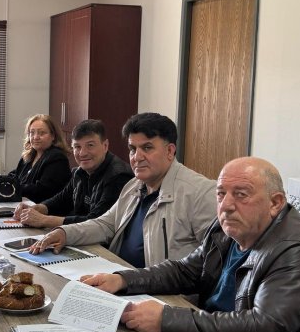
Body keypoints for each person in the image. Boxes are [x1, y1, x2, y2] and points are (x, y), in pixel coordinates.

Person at [78, 157, 300, 332]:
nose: (226, 205)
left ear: (275, 203)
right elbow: (186, 271)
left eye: (241, 195)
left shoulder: (295, 251)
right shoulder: (228, 227)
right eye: (221, 194)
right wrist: (123, 280)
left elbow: (263, 330)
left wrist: (166, 319)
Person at [30, 112, 216, 267]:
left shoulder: (200, 193)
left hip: (161, 292)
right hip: (121, 276)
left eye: (147, 148)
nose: (137, 157)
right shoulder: (134, 186)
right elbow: (105, 225)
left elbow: (212, 262)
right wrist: (64, 233)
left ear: (170, 151)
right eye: (133, 149)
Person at [14, 119, 132, 228]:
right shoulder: (79, 172)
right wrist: (37, 208)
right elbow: (62, 199)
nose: (82, 153)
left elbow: (97, 223)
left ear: (105, 146)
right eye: (77, 147)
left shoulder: (118, 176)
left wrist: (44, 220)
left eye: (90, 145)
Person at [9, 114, 71, 203]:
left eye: (42, 133)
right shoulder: (28, 155)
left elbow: (42, 190)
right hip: (24, 204)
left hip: (44, 208)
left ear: (53, 136)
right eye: (32, 133)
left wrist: (13, 188)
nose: (35, 137)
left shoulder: (57, 157)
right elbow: (16, 176)